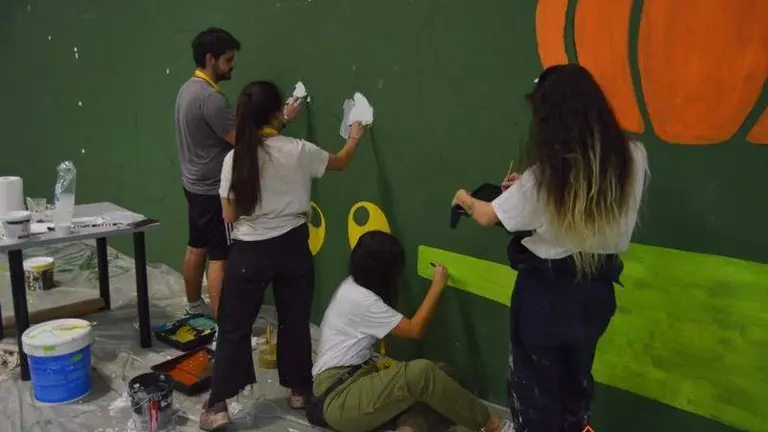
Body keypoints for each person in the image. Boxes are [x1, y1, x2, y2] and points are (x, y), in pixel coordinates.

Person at [452, 64, 648, 432]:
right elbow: (573, 204)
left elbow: (487, 215)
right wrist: (523, 190)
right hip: (598, 292)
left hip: (546, 294)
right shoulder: (633, 156)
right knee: (576, 390)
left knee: (536, 398)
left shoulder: (546, 174)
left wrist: (463, 197)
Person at [199, 80, 368, 430]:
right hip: (293, 246)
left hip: (248, 253)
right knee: (294, 318)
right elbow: (340, 163)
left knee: (234, 327)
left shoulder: (236, 158)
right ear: (278, 113)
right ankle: (300, 390)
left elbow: (229, 216)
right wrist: (354, 135)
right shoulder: (299, 150)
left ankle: (217, 406)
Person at [309, 231, 514, 432]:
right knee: (422, 373)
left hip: (356, 379)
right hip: (339, 399)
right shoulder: (361, 299)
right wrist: (437, 286)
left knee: (443, 373)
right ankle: (493, 425)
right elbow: (415, 329)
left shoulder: (355, 285)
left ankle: (409, 428)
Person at [174, 27, 302, 318]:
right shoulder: (211, 100)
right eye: (228, 60)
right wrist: (282, 120)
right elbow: (244, 143)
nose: (233, 66)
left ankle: (194, 305)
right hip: (211, 189)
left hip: (192, 184)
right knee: (221, 256)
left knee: (197, 245)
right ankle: (225, 322)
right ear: (211, 59)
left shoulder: (186, 90)